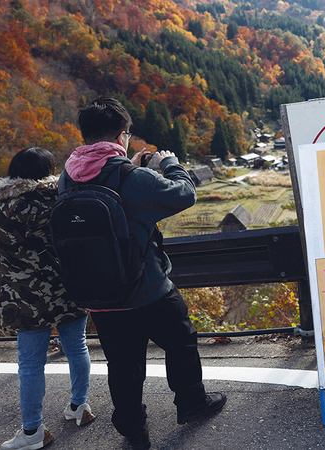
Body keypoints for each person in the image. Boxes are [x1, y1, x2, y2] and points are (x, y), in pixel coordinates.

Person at [58, 97, 226, 450]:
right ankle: (192, 403)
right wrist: (171, 165)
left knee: (123, 364)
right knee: (181, 341)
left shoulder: (67, 176)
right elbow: (184, 195)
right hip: (147, 287)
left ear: (86, 136)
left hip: (99, 295)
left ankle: (134, 431)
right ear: (123, 136)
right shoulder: (133, 178)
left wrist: (128, 166)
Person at [0, 147, 94, 450]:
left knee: (30, 365)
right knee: (77, 346)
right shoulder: (63, 203)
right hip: (69, 287)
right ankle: (79, 407)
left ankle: (33, 431)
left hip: (25, 297)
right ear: (49, 171)